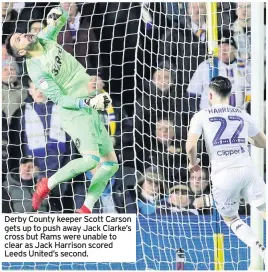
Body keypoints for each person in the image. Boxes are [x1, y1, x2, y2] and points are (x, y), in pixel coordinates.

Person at [5, 6, 119, 214]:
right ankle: (48, 184)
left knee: (111, 165)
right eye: (18, 39)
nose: (23, 35)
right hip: (74, 111)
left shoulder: (45, 38)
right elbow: (58, 98)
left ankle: (86, 207)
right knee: (90, 160)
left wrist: (60, 9)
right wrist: (86, 104)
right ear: (21, 51)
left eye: (21, 34)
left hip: (88, 103)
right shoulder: (35, 68)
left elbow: (62, 14)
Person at [186, 76, 266, 264]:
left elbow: (190, 147)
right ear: (230, 96)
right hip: (247, 170)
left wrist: (193, 162)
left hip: (223, 174)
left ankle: (261, 250)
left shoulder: (201, 115)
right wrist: (245, 139)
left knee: (231, 219)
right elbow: (263, 143)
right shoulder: (242, 114)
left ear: (210, 95)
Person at [187, 29, 251, 110]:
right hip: (210, 117)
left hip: (239, 117)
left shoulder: (246, 66)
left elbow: (252, 93)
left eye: (227, 45)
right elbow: (192, 94)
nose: (223, 49)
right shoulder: (206, 66)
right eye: (220, 46)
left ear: (234, 48)